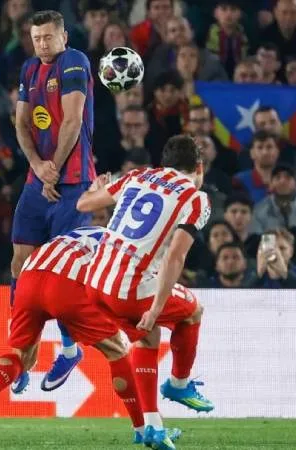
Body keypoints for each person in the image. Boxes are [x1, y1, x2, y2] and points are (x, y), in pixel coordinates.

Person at [0, 226, 181, 447]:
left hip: (30, 276)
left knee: (22, 358)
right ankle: (142, 430)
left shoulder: (95, 231)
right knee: (117, 350)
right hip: (67, 283)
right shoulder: (130, 247)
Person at [78, 134, 215, 449]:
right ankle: (179, 385)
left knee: (148, 337)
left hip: (95, 281)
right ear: (198, 166)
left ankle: (152, 426)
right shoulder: (196, 198)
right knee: (193, 311)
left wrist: (97, 185)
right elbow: (175, 256)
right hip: (129, 287)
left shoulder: (138, 175)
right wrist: (155, 309)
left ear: (164, 163)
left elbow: (84, 204)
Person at [8, 9, 97, 394]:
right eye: (36, 37)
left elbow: (73, 121)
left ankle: (69, 348)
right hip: (38, 180)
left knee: (60, 271)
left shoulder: (74, 61)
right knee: (20, 263)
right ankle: (20, 354)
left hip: (74, 182)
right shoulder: (29, 69)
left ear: (63, 37)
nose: (42, 43)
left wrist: (54, 169)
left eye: (48, 37)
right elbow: (21, 123)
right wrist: (37, 166)